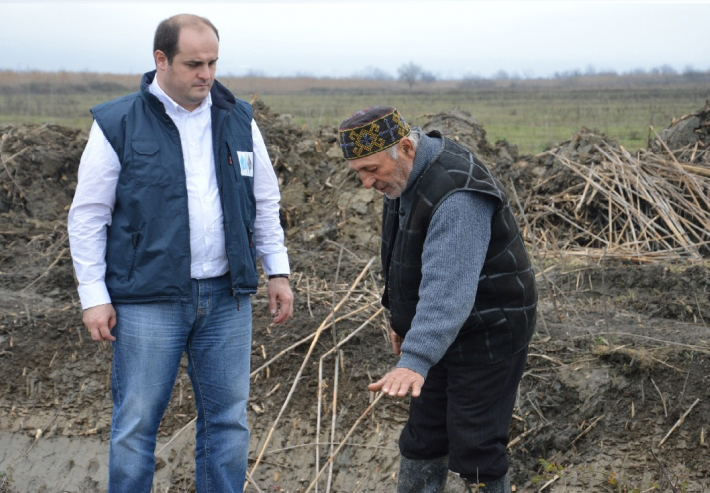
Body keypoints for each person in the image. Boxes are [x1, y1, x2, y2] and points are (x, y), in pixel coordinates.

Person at [68, 14, 293, 492]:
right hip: (148, 301)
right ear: (161, 59)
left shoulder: (239, 119)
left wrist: (278, 271)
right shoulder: (118, 123)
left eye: (213, 62)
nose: (206, 74)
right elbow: (88, 215)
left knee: (228, 422)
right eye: (194, 64)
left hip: (227, 298)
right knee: (136, 424)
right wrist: (94, 295)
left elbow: (264, 200)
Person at [338, 107, 537, 493]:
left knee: (477, 447)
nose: (365, 182)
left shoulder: (457, 194)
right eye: (358, 172)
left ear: (406, 148)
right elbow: (402, 252)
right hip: (444, 328)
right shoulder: (402, 177)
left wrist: (416, 358)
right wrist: (402, 321)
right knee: (423, 438)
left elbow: (449, 290)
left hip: (489, 328)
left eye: (371, 169)